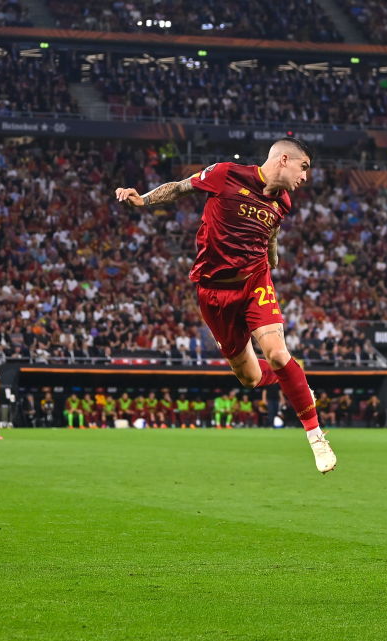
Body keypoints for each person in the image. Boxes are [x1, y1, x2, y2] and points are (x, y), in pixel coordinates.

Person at [115, 137, 336, 473]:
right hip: (213, 291)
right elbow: (179, 188)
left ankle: (316, 437)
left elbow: (271, 233)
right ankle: (295, 381)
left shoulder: (284, 203)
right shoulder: (226, 174)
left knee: (277, 352)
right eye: (304, 167)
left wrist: (272, 257)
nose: (306, 176)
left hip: (255, 282)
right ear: (284, 159)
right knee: (248, 378)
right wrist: (142, 201)